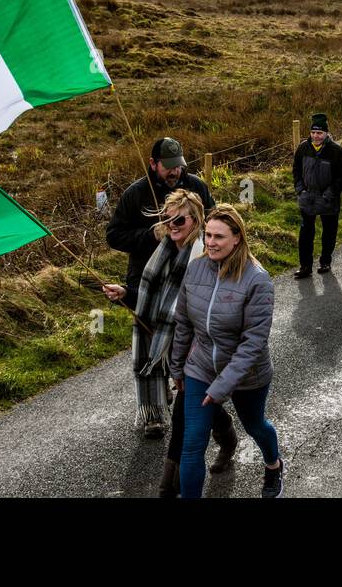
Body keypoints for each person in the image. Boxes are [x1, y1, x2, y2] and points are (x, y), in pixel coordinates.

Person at [103, 190, 238, 492]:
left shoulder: (204, 255)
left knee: (182, 419)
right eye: (166, 218)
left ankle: (168, 488)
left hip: (197, 348)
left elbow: (212, 309)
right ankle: (228, 439)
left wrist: (191, 348)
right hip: (167, 343)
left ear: (195, 220)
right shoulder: (162, 249)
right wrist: (125, 293)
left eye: (178, 219)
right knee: (199, 403)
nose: (171, 224)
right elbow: (154, 299)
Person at [171, 204, 283, 498]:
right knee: (192, 443)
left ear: (237, 238)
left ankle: (273, 466)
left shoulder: (257, 280)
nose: (210, 242)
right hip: (202, 366)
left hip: (247, 372)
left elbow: (252, 344)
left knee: (255, 426)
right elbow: (183, 322)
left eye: (219, 236)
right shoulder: (195, 269)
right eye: (207, 235)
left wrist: (222, 386)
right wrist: (177, 365)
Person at [107, 136, 214, 310]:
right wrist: (151, 235)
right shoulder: (135, 194)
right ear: (153, 163)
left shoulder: (196, 186)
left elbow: (213, 221)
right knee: (153, 331)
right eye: (168, 166)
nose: (175, 171)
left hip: (190, 271)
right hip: (147, 274)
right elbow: (113, 236)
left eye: (178, 166)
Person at [292, 113, 342, 279]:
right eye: (313, 132)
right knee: (306, 234)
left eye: (319, 133)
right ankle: (305, 266)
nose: (316, 136)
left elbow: (341, 178)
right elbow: (296, 171)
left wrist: (329, 194)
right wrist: (300, 190)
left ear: (326, 133)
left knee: (329, 232)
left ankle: (325, 261)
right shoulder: (303, 148)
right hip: (307, 198)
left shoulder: (337, 151)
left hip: (328, 200)